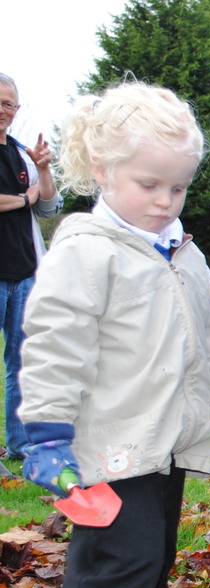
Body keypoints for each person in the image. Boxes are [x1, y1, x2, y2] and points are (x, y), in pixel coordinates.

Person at [18, 82, 210, 588]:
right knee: (127, 557)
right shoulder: (86, 251)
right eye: (150, 185)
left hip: (162, 442)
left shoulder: (181, 249)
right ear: (104, 170)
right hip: (106, 444)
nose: (165, 201)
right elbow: (53, 345)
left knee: (153, 552)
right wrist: (47, 435)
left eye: (177, 188)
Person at [0, 73, 60, 466]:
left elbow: (49, 207)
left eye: (8, 104)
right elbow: (28, 202)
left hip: (23, 275)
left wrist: (42, 171)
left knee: (23, 363)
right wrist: (25, 197)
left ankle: (19, 447)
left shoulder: (21, 153)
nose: (2, 111)